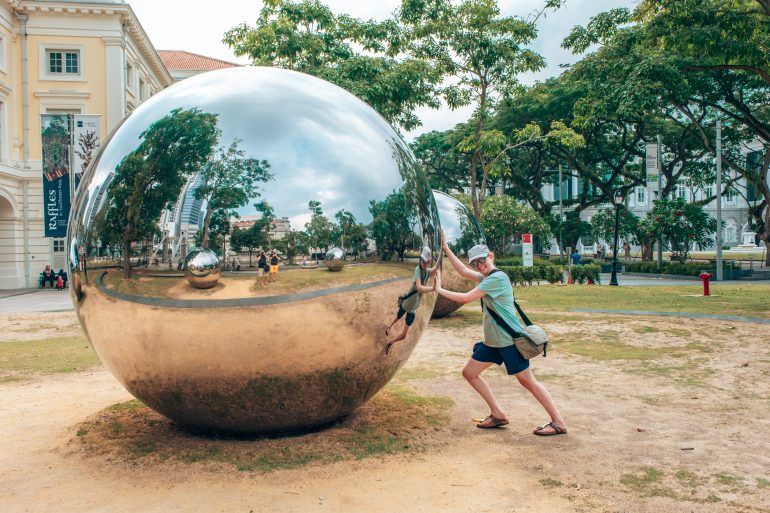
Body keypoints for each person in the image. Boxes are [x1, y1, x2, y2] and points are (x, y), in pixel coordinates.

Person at [434, 236, 567, 435]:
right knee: (470, 373)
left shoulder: (497, 278)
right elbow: (462, 270)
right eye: (475, 263)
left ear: (491, 256)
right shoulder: (485, 278)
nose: (479, 266)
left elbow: (465, 298)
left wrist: (438, 289)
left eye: (482, 260)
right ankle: (498, 414)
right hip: (492, 343)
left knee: (527, 381)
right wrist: (446, 248)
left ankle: (558, 423)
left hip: (508, 342)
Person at [385, 246, 437, 354]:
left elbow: (436, 268)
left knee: (403, 336)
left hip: (412, 310)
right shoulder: (418, 269)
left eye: (425, 261)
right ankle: (389, 327)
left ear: (429, 261)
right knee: (398, 317)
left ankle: (391, 343)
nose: (422, 262)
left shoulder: (427, 272)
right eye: (421, 259)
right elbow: (419, 287)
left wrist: (442, 250)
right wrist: (432, 288)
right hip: (407, 303)